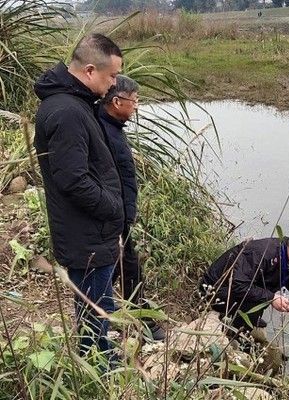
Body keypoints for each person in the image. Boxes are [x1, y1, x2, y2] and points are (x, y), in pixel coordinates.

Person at [34, 33, 123, 358]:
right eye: (111, 75)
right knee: (92, 312)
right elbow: (73, 180)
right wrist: (114, 207)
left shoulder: (74, 104)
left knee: (100, 305)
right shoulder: (67, 112)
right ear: (89, 70)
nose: (114, 84)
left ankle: (105, 356)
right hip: (86, 236)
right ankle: (97, 370)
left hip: (90, 233)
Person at [199, 228, 289, 372]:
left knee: (263, 294)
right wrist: (271, 297)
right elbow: (238, 285)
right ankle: (237, 334)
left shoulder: (285, 255)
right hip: (216, 291)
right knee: (260, 297)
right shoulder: (261, 254)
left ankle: (247, 325)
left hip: (235, 290)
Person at [98, 75, 166, 341]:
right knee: (128, 266)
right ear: (116, 101)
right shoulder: (104, 132)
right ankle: (142, 320)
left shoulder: (110, 127)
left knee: (121, 265)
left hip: (120, 216)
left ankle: (109, 309)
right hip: (114, 216)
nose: (136, 106)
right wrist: (119, 212)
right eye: (134, 100)